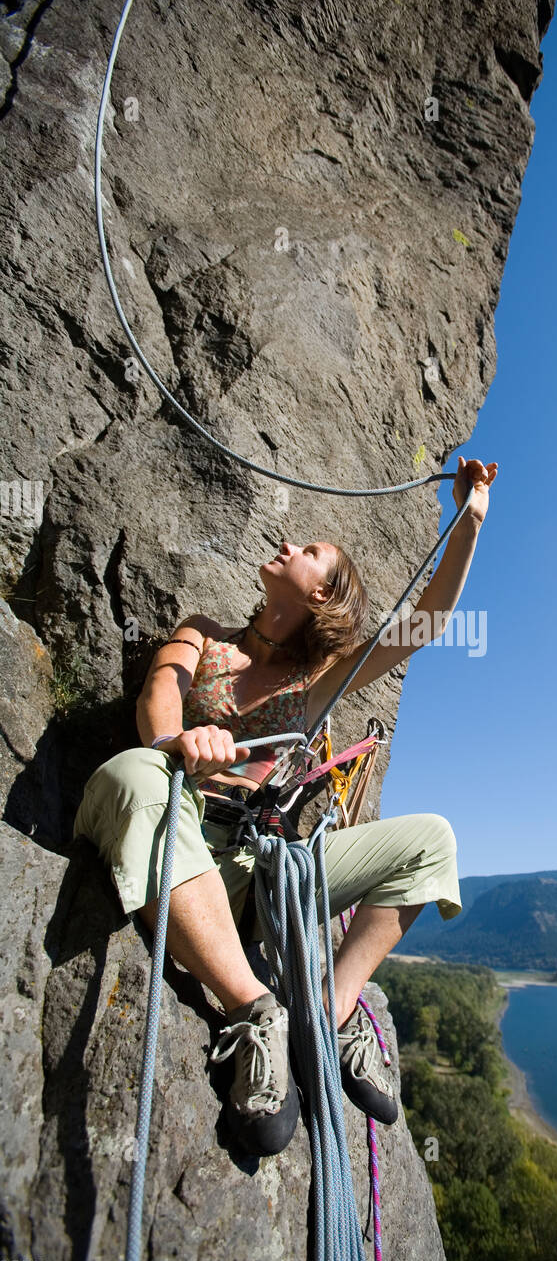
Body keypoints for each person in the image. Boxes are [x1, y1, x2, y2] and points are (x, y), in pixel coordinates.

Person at [73, 455, 498, 1156]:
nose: (289, 544)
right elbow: (160, 693)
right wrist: (178, 744)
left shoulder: (318, 678)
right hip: (173, 818)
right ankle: (254, 1011)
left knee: (434, 841)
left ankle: (330, 1009)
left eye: (310, 552)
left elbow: (424, 624)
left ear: (323, 594)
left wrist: (469, 519)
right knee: (135, 772)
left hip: (255, 865)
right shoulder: (204, 635)